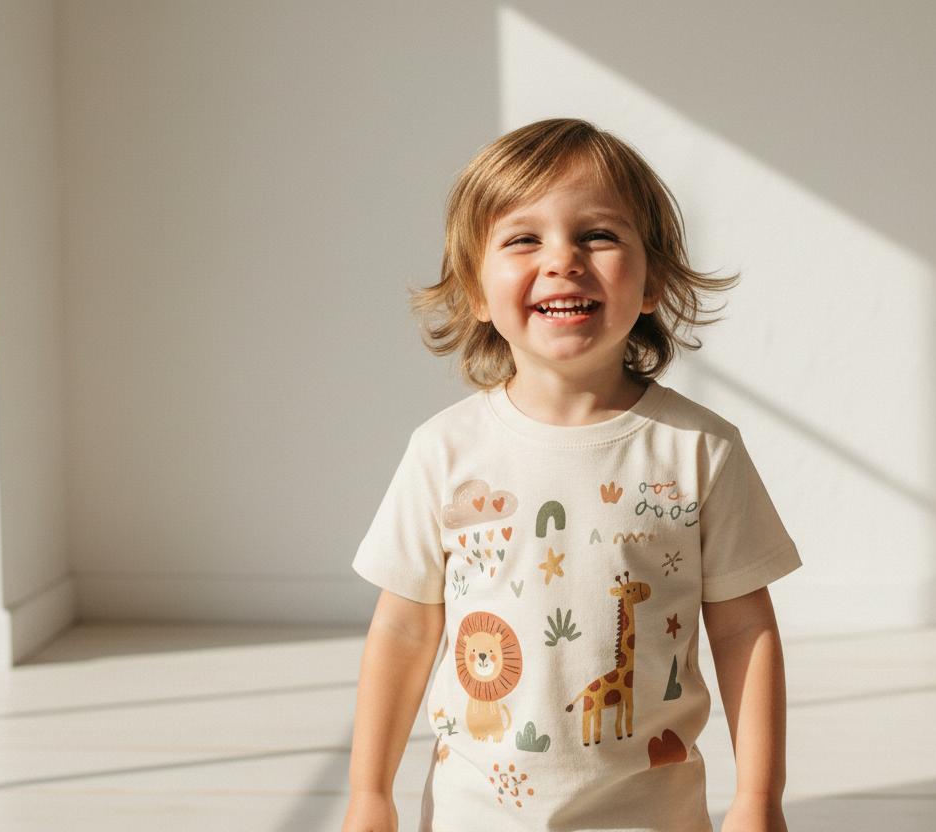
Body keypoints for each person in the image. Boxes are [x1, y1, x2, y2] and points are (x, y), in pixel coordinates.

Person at [343, 118, 800, 832]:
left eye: (599, 235)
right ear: (475, 291)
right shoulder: (444, 451)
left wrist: (757, 798)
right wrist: (370, 795)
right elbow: (403, 630)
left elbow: (745, 630)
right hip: (475, 817)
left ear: (652, 282)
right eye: (524, 238)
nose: (563, 260)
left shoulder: (700, 450)